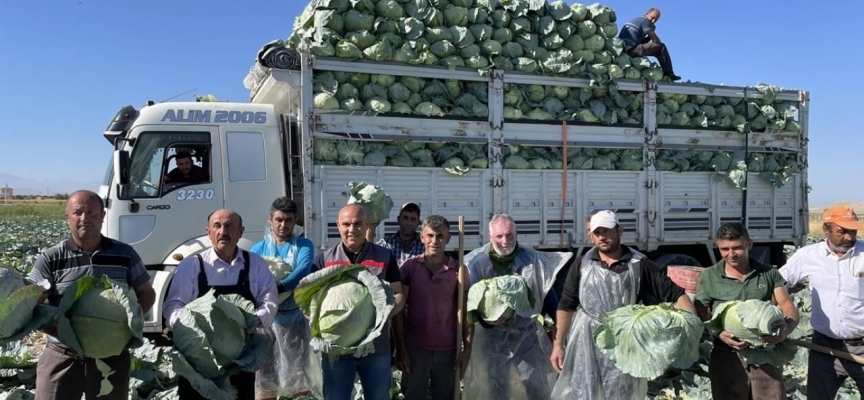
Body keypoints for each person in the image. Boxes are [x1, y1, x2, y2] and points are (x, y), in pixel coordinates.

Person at [550, 210, 696, 399]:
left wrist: (690, 328)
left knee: (622, 391)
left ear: (620, 230)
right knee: (583, 391)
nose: (602, 237)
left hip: (624, 342)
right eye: (597, 233)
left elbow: (676, 294)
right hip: (585, 340)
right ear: (591, 235)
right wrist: (558, 345)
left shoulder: (640, 264)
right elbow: (566, 304)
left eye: (607, 231)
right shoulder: (582, 264)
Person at [29, 190, 156, 400]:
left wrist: (132, 322)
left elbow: (147, 292)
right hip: (62, 354)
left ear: (103, 216)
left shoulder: (125, 254)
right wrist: (64, 334)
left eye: (91, 212)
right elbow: (34, 306)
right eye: (77, 212)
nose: (84, 218)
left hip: (111, 355)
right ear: (67, 217)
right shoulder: (50, 258)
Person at [163, 209, 278, 400]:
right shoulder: (192, 265)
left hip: (240, 360)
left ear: (241, 231)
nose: (223, 231)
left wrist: (254, 320)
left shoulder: (255, 264)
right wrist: (188, 329)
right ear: (208, 232)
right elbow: (173, 304)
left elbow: (269, 299)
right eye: (217, 226)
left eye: (229, 226)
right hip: (197, 361)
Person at [461, 214, 567, 400]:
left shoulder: (533, 261)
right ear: (490, 237)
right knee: (496, 388)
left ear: (516, 234)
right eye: (499, 236)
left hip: (526, 336)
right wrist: (486, 321)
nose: (505, 241)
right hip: (491, 339)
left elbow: (548, 297)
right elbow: (468, 305)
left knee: (535, 384)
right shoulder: (476, 263)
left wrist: (558, 334)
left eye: (509, 235)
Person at [694, 222, 799, 400]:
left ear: (749, 244)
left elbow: (787, 306)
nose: (731, 254)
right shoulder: (709, 276)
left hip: (765, 354)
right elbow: (702, 314)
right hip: (727, 355)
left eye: (737, 248)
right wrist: (719, 333)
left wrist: (786, 330)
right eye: (724, 249)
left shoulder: (768, 273)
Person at [311, 204, 406, 400]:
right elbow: (309, 301)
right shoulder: (323, 260)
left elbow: (398, 295)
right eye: (346, 224)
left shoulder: (384, 256)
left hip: (376, 348)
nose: (351, 229)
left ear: (367, 225)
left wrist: (379, 318)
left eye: (357, 224)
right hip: (337, 349)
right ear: (338, 225)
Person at [780, 205, 864, 398]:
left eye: (853, 231)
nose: (849, 237)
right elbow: (778, 283)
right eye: (842, 231)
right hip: (824, 347)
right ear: (826, 229)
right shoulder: (808, 255)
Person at [393, 215, 473, 400]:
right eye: (430, 236)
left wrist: (467, 349)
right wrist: (401, 348)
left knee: (445, 396)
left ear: (448, 238)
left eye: (440, 236)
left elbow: (466, 312)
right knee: (412, 395)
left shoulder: (459, 270)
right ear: (422, 237)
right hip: (415, 348)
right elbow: (398, 311)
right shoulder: (410, 267)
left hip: (448, 350)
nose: (434, 241)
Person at [250, 197, 321, 400]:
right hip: (266, 323)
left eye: (288, 220)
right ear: (270, 220)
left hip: (294, 321)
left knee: (298, 377)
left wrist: (278, 286)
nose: (283, 225)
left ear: (295, 221)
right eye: (279, 219)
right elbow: (253, 278)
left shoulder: (304, 245)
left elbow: (302, 270)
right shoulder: (258, 249)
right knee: (266, 377)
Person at [617, 8, 680, 81]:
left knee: (656, 49)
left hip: (624, 49)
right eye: (652, 17)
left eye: (656, 20)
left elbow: (641, 43)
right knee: (661, 47)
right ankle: (669, 74)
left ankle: (665, 71)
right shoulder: (645, 21)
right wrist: (652, 31)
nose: (653, 21)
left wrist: (649, 37)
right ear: (647, 13)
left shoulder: (638, 20)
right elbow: (656, 41)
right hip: (631, 49)